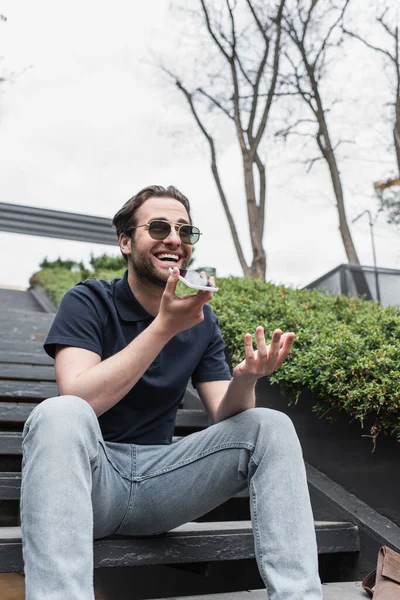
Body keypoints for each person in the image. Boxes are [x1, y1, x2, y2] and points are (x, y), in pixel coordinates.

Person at [21, 185, 322, 600]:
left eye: (185, 230)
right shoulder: (88, 300)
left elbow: (226, 414)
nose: (175, 239)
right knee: (58, 414)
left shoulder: (201, 319)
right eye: (159, 227)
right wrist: (163, 328)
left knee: (270, 424)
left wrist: (247, 378)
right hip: (89, 484)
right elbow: (80, 397)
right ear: (125, 241)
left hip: (161, 486)